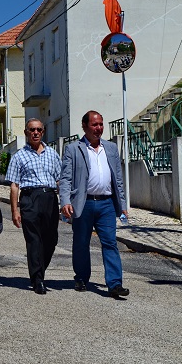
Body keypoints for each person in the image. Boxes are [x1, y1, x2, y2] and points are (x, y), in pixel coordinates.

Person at [60, 110, 129, 298]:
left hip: (107, 204)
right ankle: (81, 277)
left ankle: (115, 283)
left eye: (101, 124)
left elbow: (118, 179)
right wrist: (65, 201)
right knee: (81, 243)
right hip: (84, 203)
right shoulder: (73, 149)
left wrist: (122, 205)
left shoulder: (111, 148)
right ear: (84, 126)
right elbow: (65, 178)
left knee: (110, 243)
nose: (99, 128)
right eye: (94, 125)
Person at [5, 118, 61, 295]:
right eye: (32, 130)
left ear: (43, 132)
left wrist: (66, 202)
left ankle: (39, 271)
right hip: (29, 198)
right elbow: (14, 185)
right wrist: (15, 210)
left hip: (50, 197)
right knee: (34, 240)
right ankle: (37, 279)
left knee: (51, 240)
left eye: (38, 130)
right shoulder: (19, 156)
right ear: (26, 133)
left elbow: (60, 180)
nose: (35, 133)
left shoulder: (53, 154)